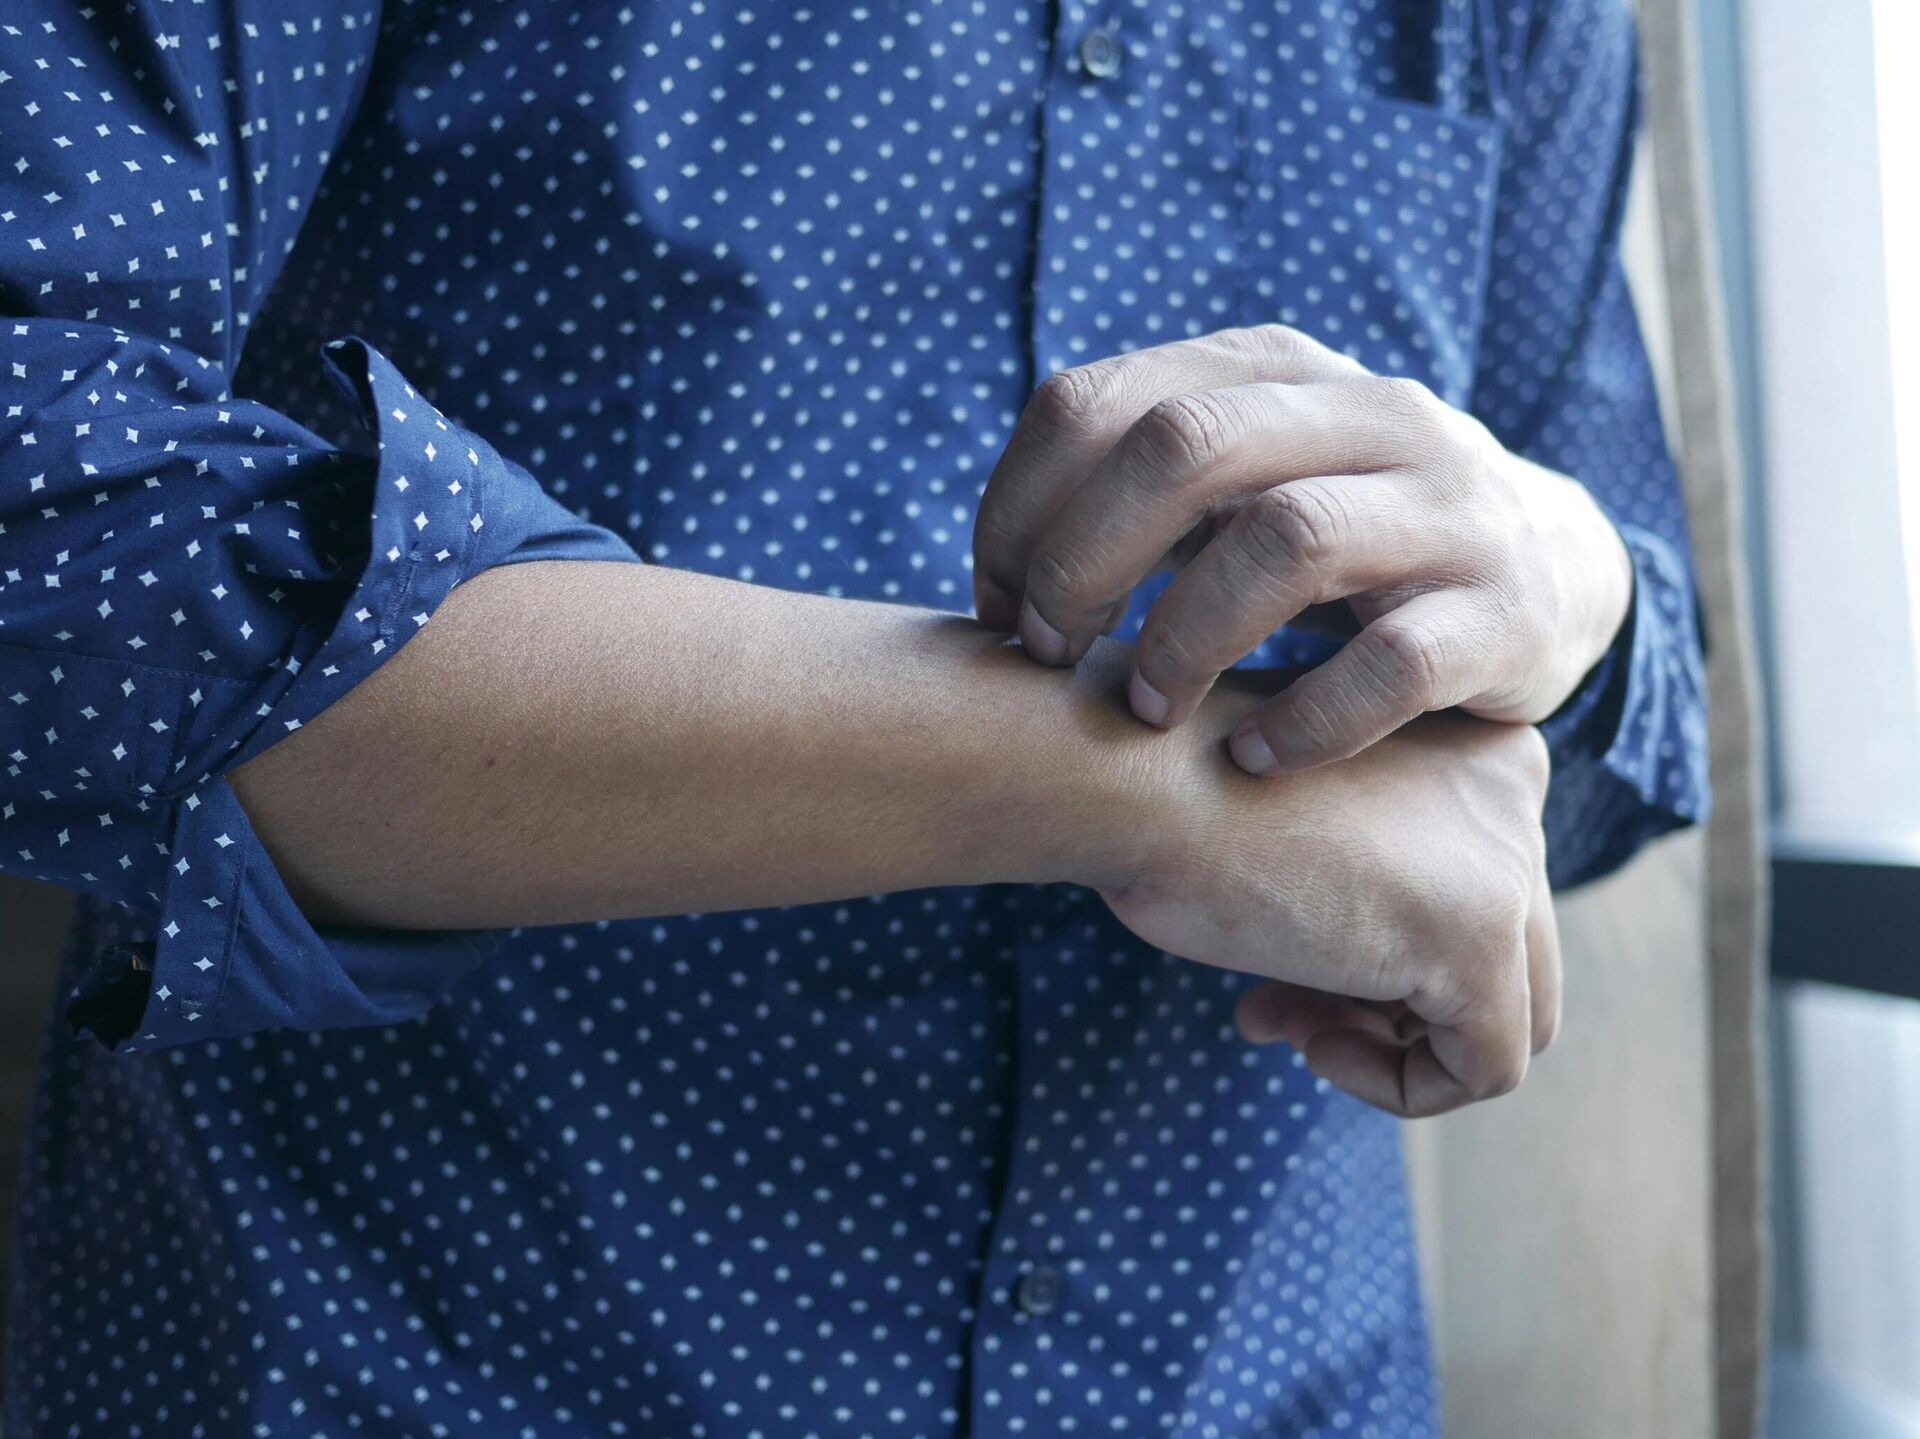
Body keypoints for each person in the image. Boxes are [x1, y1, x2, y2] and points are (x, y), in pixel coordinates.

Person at [0, 1, 1705, 1433]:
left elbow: (1592, 770)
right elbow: (49, 537)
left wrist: (1569, 582)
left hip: (1265, 1381)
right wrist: (1148, 786)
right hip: (416, 1367)